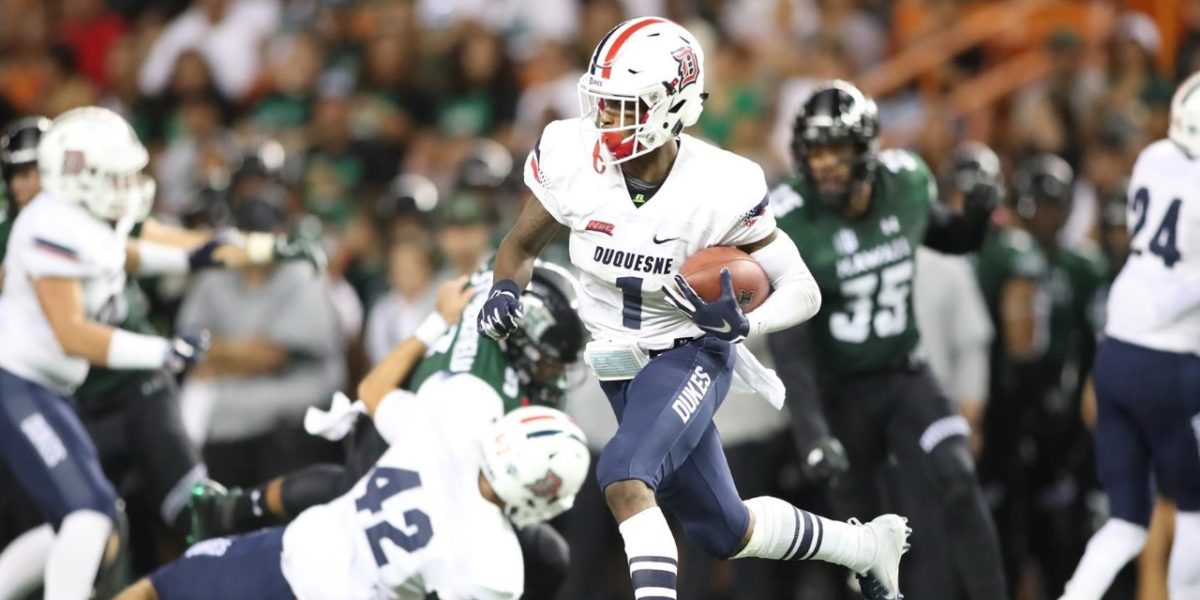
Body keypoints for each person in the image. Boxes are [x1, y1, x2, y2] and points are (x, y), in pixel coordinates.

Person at [479, 18, 910, 600]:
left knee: (624, 476)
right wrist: (506, 288)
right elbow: (520, 248)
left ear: (672, 107)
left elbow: (802, 289)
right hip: (617, 364)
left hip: (689, 352)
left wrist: (746, 325)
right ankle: (863, 548)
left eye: (623, 106)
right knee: (723, 529)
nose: (604, 121)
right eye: (602, 104)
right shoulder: (570, 155)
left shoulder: (721, 184)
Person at [113, 289, 592, 600]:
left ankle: (233, 511)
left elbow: (372, 392)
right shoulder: (494, 565)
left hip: (292, 552)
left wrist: (431, 326)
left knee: (157, 590)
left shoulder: (458, 417)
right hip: (332, 584)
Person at [767, 81, 1007, 600]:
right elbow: (791, 342)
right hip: (839, 395)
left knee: (959, 480)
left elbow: (946, 236)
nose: (826, 163)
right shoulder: (791, 218)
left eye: (838, 148)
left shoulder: (906, 184)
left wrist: (976, 222)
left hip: (904, 375)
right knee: (863, 547)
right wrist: (811, 432)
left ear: (868, 149)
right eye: (816, 149)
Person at [0, 107, 207, 600]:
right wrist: (162, 349)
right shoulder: (39, 229)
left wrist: (233, 248)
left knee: (83, 519)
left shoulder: (83, 221)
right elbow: (73, 333)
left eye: (35, 170)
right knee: (86, 513)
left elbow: (151, 248)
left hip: (60, 388)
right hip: (27, 384)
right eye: (19, 173)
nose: (28, 183)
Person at [1058, 70, 1200, 600]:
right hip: (1170, 365)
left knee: (1125, 521)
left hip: (1116, 353)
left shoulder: (1153, 159)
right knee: (1193, 507)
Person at [975, 154, 1107, 597]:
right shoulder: (998, 256)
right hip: (1006, 400)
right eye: (1038, 204)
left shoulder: (1084, 267)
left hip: (1064, 402)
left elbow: (1095, 348)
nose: (1047, 216)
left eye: (1055, 205)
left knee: (1060, 524)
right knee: (1006, 517)